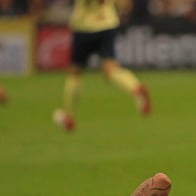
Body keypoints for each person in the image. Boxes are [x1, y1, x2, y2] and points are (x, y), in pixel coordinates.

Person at [53, 0, 151, 132]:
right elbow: (124, 4)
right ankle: (135, 88)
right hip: (107, 23)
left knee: (75, 72)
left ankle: (69, 114)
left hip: (84, 27)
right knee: (111, 69)